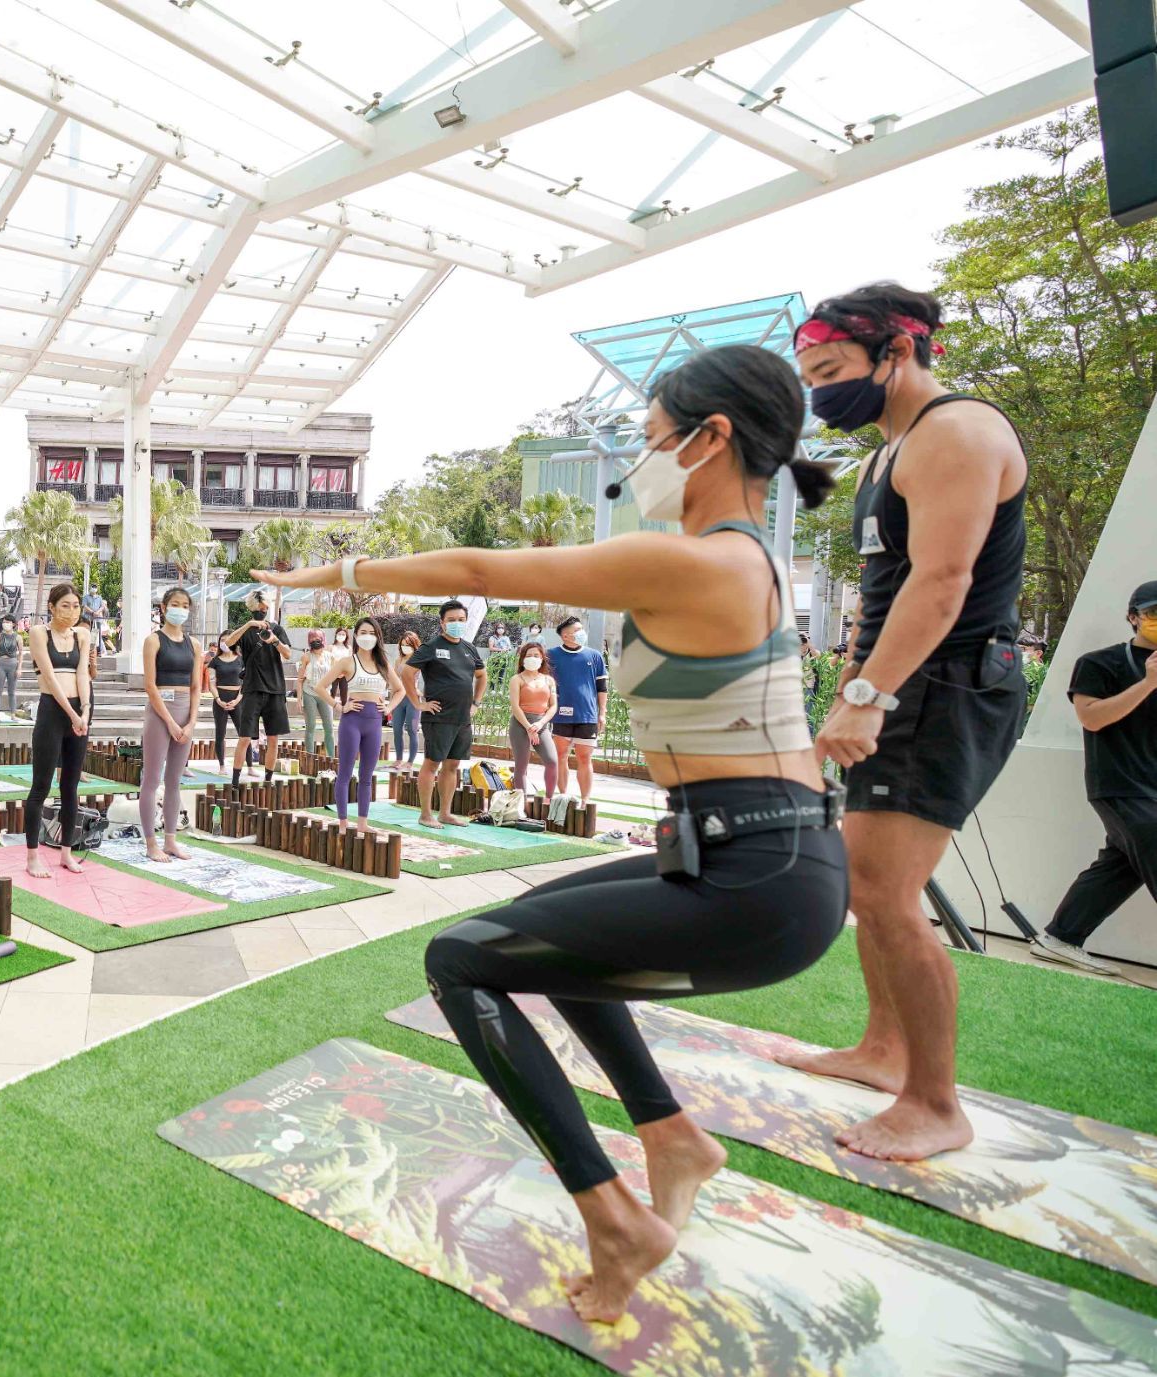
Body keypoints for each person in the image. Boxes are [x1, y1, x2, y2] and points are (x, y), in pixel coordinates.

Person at [256, 343, 847, 1323]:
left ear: (710, 440)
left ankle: (612, 1216)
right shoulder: (750, 560)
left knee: (458, 960)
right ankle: (668, 1136)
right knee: (534, 925)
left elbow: (484, 567)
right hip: (755, 858)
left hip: (756, 878)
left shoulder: (695, 556)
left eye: (651, 442)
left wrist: (337, 571)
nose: (639, 466)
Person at [781, 283, 1029, 1162]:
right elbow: (881, 592)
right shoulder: (885, 454)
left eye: (830, 370)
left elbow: (942, 582)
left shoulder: (958, 433)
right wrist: (852, 675)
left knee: (886, 891)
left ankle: (935, 1100)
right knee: (867, 885)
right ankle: (883, 1050)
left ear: (897, 351)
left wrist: (867, 699)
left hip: (949, 682)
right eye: (808, 375)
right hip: (901, 681)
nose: (819, 392)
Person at [1026, 580, 1157, 975]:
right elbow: (1092, 718)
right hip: (1119, 782)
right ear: (1133, 617)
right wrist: (1148, 683)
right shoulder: (1100, 663)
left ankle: (1061, 936)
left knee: (1121, 866)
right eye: (1152, 614)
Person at [25, 584, 94, 878]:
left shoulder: (83, 635)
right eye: (65, 605)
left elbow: (82, 674)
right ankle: (32, 857)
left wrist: (86, 710)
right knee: (40, 786)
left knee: (71, 787)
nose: (72, 612)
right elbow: (50, 678)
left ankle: (66, 852)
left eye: (76, 606)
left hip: (79, 714)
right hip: (53, 712)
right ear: (52, 606)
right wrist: (72, 713)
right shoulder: (39, 632)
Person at [403, 601, 487, 827]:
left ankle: (445, 813)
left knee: (453, 766)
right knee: (432, 764)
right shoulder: (431, 646)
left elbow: (482, 676)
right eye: (451, 620)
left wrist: (476, 703)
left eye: (461, 619)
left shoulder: (469, 648)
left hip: (462, 718)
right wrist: (418, 703)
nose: (457, 623)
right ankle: (425, 815)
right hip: (438, 717)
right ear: (442, 623)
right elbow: (407, 673)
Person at [139, 587, 203, 861]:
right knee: (152, 780)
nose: (180, 609)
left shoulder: (195, 645)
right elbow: (150, 686)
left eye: (185, 605)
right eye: (175, 604)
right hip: (159, 713)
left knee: (174, 781)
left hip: (184, 713)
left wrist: (190, 723)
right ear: (163, 608)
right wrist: (169, 721)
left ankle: (170, 840)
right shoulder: (153, 640)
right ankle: (151, 843)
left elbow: (196, 687)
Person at [328, 616, 401, 827]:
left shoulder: (383, 663)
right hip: (352, 721)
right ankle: (342, 822)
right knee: (344, 773)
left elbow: (401, 690)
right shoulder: (347, 661)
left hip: (374, 722)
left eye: (371, 633)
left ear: (378, 637)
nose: (367, 637)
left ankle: (362, 822)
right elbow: (321, 687)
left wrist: (388, 708)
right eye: (363, 633)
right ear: (355, 636)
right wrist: (339, 706)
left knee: (366, 775)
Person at [222, 590, 291, 786]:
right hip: (252, 689)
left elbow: (287, 654)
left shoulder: (276, 629)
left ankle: (268, 780)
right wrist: (249, 625)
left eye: (265, 609)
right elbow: (227, 644)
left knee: (273, 738)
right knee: (244, 738)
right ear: (252, 609)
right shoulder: (246, 630)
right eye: (259, 609)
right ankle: (235, 782)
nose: (262, 612)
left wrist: (274, 640)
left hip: (275, 690)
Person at [547, 616, 609, 800]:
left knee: (584, 758)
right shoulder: (551, 655)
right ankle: (563, 798)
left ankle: (584, 801)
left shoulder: (594, 656)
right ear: (565, 636)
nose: (582, 633)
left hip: (587, 716)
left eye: (582, 629)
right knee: (561, 756)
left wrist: (602, 713)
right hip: (560, 715)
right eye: (577, 630)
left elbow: (602, 688)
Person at [509, 641, 560, 799]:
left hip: (541, 723)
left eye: (536, 655)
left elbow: (553, 706)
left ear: (542, 658)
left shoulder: (548, 680)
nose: (532, 658)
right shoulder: (517, 679)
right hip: (520, 723)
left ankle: (549, 799)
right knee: (521, 766)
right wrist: (528, 727)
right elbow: (515, 707)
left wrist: (540, 724)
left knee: (552, 761)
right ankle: (521, 803)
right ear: (523, 658)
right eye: (528, 655)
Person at [206, 634, 245, 778]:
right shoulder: (214, 661)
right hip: (220, 698)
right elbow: (211, 682)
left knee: (244, 733)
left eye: (229, 640)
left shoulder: (241, 660)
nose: (226, 643)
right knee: (220, 733)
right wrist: (218, 699)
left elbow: (246, 682)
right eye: (223, 640)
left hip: (238, 699)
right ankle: (222, 765)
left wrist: (238, 699)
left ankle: (249, 766)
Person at [298, 631, 339, 755]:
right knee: (310, 726)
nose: (315, 640)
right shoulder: (306, 656)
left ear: (323, 639)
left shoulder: (330, 656)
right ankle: (309, 755)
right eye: (312, 638)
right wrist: (299, 699)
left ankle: (331, 758)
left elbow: (337, 673)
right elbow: (300, 679)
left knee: (329, 727)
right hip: (309, 692)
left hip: (325, 694)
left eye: (318, 638)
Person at [389, 630, 423, 772]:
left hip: (413, 699)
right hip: (399, 698)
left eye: (408, 645)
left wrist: (419, 692)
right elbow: (394, 680)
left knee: (412, 729)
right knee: (397, 729)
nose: (405, 647)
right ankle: (398, 758)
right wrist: (391, 699)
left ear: (414, 645)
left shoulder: (420, 660)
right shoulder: (398, 660)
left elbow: (423, 681)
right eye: (402, 645)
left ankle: (410, 761)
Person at [0, 619, 23, 717]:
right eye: (4, 622)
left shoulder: (18, 637)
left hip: (13, 664)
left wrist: (19, 668)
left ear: (13, 624)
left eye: (8, 622)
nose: (6, 624)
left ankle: (13, 713)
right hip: (1, 663)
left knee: (12, 691)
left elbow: (21, 654)